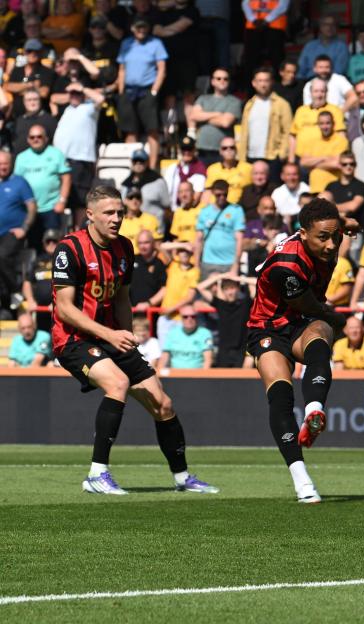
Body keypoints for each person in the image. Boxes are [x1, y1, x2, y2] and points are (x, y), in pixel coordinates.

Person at [52, 186, 217, 495]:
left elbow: (123, 299)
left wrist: (127, 337)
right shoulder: (69, 249)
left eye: (120, 213)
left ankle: (182, 478)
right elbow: (64, 308)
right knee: (117, 384)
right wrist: (110, 334)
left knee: (162, 403)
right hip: (74, 339)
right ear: (90, 215)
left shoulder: (124, 248)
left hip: (112, 337)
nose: (117, 219)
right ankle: (96, 474)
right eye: (109, 213)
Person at [245, 199, 351, 503]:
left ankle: (314, 409)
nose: (332, 245)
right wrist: (337, 318)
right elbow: (311, 306)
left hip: (300, 322)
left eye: (336, 236)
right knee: (280, 392)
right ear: (303, 234)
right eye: (323, 237)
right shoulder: (287, 267)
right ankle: (301, 479)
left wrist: (350, 225)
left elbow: (341, 225)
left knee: (319, 335)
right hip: (267, 326)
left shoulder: (330, 234)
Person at [116, 17, 165, 169]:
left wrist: (154, 91)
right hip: (129, 91)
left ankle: (151, 166)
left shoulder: (155, 43)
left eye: (144, 27)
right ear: (132, 28)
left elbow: (162, 68)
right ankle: (131, 167)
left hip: (147, 90)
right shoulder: (126, 43)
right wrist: (121, 92)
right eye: (138, 28)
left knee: (152, 130)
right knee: (130, 131)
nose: (141, 30)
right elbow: (122, 69)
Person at [52, 83, 103, 227]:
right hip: (63, 159)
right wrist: (70, 92)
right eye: (72, 93)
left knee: (79, 200)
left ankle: (77, 231)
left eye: (77, 93)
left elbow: (100, 99)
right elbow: (53, 98)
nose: (74, 95)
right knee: (63, 197)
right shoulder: (67, 108)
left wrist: (83, 88)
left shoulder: (89, 108)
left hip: (81, 159)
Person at [13, 124, 70, 241]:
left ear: (46, 138)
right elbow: (17, 183)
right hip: (29, 210)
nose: (36, 139)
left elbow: (66, 177)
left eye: (39, 136)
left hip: (51, 207)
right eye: (32, 137)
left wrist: (62, 201)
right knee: (34, 243)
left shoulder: (56, 154)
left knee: (53, 242)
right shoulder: (21, 157)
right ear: (28, 140)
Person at [238, 67, 293, 179]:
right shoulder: (249, 104)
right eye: (260, 81)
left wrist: (281, 154)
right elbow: (244, 131)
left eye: (266, 81)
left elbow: (288, 131)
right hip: (249, 157)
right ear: (254, 83)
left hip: (272, 157)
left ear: (271, 82)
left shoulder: (282, 104)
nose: (263, 84)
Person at [0, 151, 36, 314]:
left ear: (11, 164)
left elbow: (32, 207)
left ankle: (16, 290)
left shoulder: (19, 183)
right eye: (0, 164)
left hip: (13, 232)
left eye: (5, 163)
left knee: (2, 256)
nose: (3, 167)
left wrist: (25, 228)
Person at [195, 272, 254, 368]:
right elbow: (200, 287)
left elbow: (257, 282)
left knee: (241, 381)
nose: (230, 292)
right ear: (222, 291)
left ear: (237, 289)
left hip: (241, 352)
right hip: (223, 352)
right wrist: (220, 276)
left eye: (232, 288)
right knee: (222, 382)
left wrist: (239, 279)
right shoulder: (220, 304)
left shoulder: (245, 304)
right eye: (226, 289)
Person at [190, 67, 241, 166]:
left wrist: (204, 117)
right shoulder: (203, 98)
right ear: (212, 81)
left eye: (225, 79)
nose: (222, 81)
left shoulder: (234, 101)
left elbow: (225, 122)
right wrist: (217, 114)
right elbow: (193, 115)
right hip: (201, 149)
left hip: (223, 151)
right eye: (218, 78)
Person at [195, 180, 245, 278]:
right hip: (208, 261)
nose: (222, 197)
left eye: (224, 194)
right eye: (218, 195)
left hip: (229, 262)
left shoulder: (236, 210)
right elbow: (198, 240)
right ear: (213, 193)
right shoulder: (205, 211)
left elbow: (239, 239)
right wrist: (196, 265)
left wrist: (236, 265)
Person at [157, 305, 213, 369]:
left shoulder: (205, 333)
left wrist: (203, 377)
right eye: (185, 317)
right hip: (175, 375)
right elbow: (164, 356)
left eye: (193, 316)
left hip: (197, 376)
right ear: (181, 318)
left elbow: (208, 359)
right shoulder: (172, 333)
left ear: (197, 318)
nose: (189, 319)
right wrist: (159, 373)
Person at [240, 0, 288, 76]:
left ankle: (279, 84)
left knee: (277, 57)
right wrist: (253, 19)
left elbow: (283, 6)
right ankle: (250, 84)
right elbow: (245, 3)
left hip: (275, 26)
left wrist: (267, 20)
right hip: (253, 27)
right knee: (251, 59)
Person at [297, 15, 347, 80]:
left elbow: (339, 71)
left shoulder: (341, 47)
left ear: (336, 28)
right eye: (326, 24)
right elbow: (300, 69)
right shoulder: (310, 46)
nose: (329, 27)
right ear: (320, 27)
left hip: (332, 83)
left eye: (333, 25)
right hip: (309, 82)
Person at [163, 136, 206, 211]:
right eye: (184, 149)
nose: (186, 152)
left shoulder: (199, 168)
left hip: (190, 211)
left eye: (189, 149)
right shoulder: (172, 168)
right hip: (172, 211)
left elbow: (195, 198)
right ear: (179, 150)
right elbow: (166, 192)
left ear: (194, 150)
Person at [206, 137, 253, 206]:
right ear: (220, 151)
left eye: (232, 147)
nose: (229, 150)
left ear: (236, 150)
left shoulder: (248, 168)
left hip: (239, 208)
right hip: (217, 208)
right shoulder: (212, 169)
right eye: (225, 148)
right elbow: (207, 192)